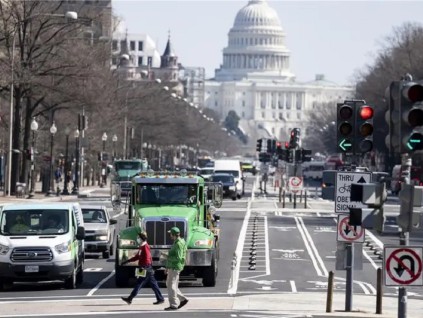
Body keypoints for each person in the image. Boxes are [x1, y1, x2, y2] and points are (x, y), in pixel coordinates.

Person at [121, 232, 164, 306]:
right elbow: (137, 256)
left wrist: (144, 267)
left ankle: (130, 298)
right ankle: (160, 298)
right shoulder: (142, 246)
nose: (137, 239)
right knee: (153, 284)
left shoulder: (145, 246)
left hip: (145, 267)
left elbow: (148, 257)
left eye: (138, 237)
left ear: (141, 238)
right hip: (147, 267)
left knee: (139, 283)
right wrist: (128, 261)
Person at [164, 226, 188, 311]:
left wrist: (167, 256)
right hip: (174, 266)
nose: (170, 235)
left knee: (171, 285)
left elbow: (178, 258)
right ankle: (182, 299)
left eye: (170, 234)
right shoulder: (180, 242)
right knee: (170, 284)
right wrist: (167, 266)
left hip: (175, 266)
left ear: (173, 235)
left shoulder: (178, 244)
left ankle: (173, 305)